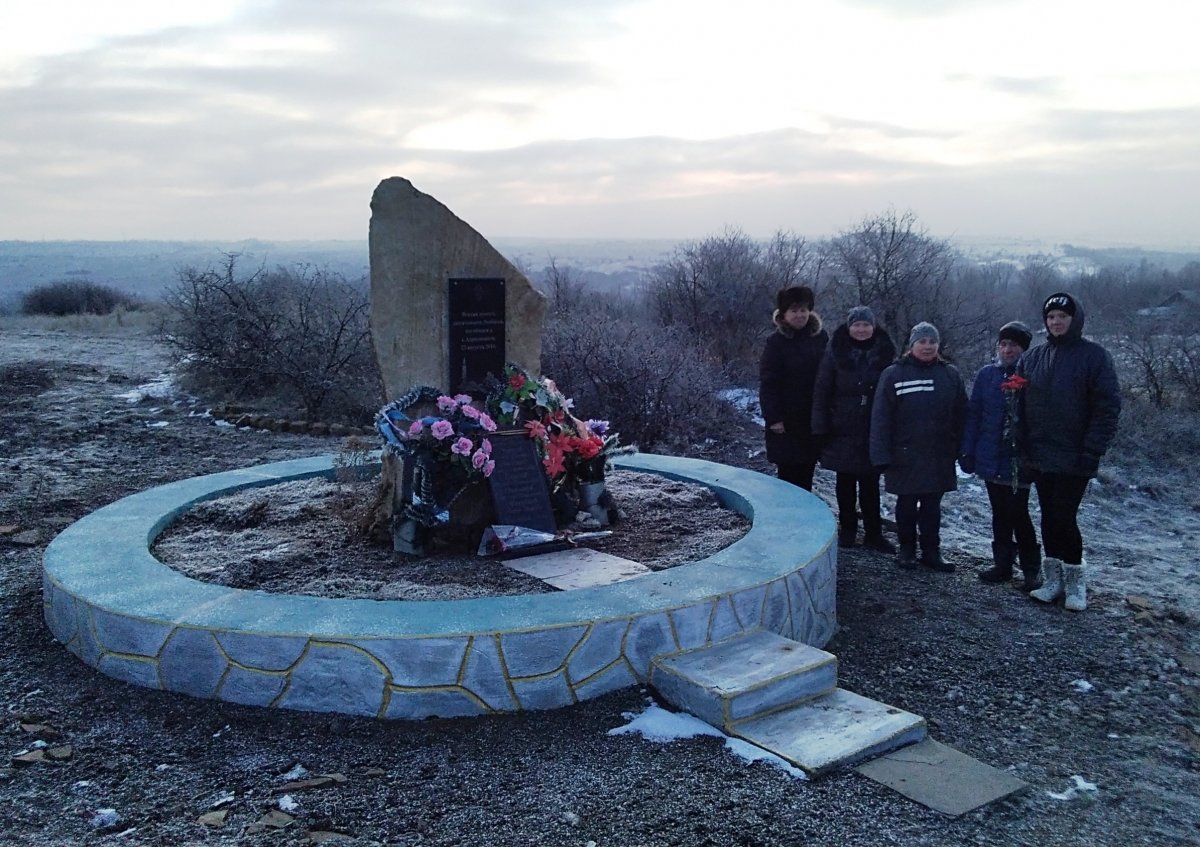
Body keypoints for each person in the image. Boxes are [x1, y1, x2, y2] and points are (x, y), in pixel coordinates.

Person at [1018, 293, 1120, 611]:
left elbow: (1107, 407)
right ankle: (1053, 581)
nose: (1057, 322)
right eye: (1051, 317)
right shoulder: (1033, 357)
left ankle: (1076, 583)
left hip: (1075, 455)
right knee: (1048, 517)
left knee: (1064, 516)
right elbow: (1018, 405)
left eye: (1063, 316)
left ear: (1075, 320)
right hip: (1040, 452)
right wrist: (1021, 442)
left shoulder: (1094, 357)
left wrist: (1092, 450)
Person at [870, 322, 967, 571]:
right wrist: (880, 454)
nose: (927, 346)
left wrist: (961, 448)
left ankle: (931, 552)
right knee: (906, 505)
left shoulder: (950, 374)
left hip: (938, 455)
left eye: (932, 342)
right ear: (912, 345)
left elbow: (962, 414)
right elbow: (881, 417)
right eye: (922, 342)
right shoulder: (894, 374)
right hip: (904, 454)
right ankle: (906, 549)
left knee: (932, 507)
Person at [960, 321, 1042, 590]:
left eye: (1013, 345)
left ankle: (1031, 568)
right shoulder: (987, 375)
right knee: (999, 512)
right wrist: (968, 450)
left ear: (1024, 349)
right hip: (990, 454)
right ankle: (1002, 564)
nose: (1007, 350)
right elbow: (974, 414)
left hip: (1019, 459)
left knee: (1018, 513)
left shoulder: (1034, 375)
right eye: (1004, 344)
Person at [811, 305, 897, 551]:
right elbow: (822, 391)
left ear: (873, 326)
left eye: (866, 325)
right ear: (849, 327)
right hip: (842, 428)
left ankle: (873, 533)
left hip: (875, 427)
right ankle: (847, 529)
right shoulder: (835, 352)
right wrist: (820, 428)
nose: (861, 329)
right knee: (845, 482)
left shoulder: (885, 352)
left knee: (870, 483)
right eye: (856, 325)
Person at [759, 285, 828, 490]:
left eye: (803, 310)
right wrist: (774, 418)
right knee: (788, 474)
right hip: (786, 420)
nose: (799, 315)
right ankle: (789, 518)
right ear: (784, 314)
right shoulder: (776, 342)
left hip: (812, 418)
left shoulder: (820, 338)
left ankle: (806, 518)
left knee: (807, 470)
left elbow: (829, 374)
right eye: (794, 311)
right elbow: (769, 381)